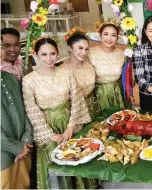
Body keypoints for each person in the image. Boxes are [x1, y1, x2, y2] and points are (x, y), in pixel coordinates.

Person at [22, 38, 93, 189]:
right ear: (36, 55)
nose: (49, 58)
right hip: (47, 128)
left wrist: (71, 126)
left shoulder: (66, 73)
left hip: (69, 123)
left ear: (58, 53)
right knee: (55, 165)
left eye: (52, 53)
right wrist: (50, 134)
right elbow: (31, 110)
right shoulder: (29, 80)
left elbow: (76, 99)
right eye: (44, 54)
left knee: (75, 157)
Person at [1, 46, 33, 189]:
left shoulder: (10, 78)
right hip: (3, 154)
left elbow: (23, 110)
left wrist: (26, 139)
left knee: (23, 184)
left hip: (23, 149)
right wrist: (16, 147)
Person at [59, 29, 100, 119]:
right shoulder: (62, 70)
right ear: (70, 48)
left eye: (86, 49)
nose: (84, 53)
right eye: (80, 48)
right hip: (75, 114)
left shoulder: (89, 65)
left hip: (93, 108)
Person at [89, 20, 125, 113]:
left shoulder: (122, 54)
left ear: (117, 37)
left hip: (118, 94)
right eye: (106, 34)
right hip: (99, 95)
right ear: (100, 35)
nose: (109, 38)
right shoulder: (90, 53)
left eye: (113, 35)